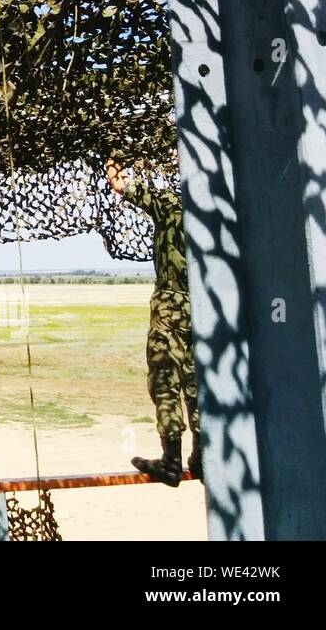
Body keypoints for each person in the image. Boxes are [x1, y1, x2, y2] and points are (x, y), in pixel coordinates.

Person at [106, 157, 201, 485]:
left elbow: (120, 184)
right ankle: (203, 453)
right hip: (203, 311)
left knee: (165, 380)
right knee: (196, 382)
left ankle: (171, 459)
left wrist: (113, 156)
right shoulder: (218, 215)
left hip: (170, 305)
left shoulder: (171, 205)